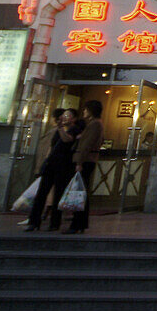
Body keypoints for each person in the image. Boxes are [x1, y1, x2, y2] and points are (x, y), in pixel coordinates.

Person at [25, 108, 80, 232]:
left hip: (64, 166)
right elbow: (52, 147)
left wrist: (60, 128)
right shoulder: (55, 131)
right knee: (41, 194)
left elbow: (67, 140)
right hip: (51, 164)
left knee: (58, 195)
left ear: (74, 119)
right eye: (64, 115)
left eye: (68, 116)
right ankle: (34, 222)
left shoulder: (75, 130)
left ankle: (55, 223)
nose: (65, 118)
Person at [63, 100, 104, 235]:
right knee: (82, 192)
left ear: (91, 110)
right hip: (86, 160)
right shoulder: (94, 124)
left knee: (80, 192)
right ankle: (80, 223)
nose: (84, 112)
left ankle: (77, 223)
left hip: (86, 160)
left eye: (86, 109)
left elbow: (87, 144)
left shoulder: (95, 125)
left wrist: (79, 162)